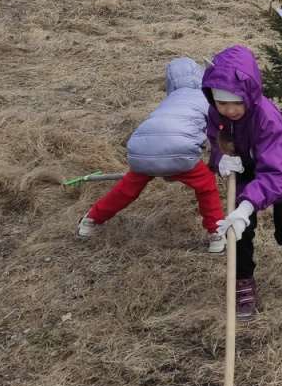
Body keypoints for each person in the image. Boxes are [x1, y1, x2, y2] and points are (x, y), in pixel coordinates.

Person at [203, 45, 282, 321]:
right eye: (222, 103)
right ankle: (243, 280)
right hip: (244, 166)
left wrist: (247, 206)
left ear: (249, 95)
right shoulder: (217, 112)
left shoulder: (267, 119)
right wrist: (220, 158)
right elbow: (215, 135)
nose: (229, 110)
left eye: (236, 103)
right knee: (239, 231)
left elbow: (273, 173)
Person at [76, 58, 225, 253]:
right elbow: (216, 136)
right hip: (178, 149)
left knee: (127, 189)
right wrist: (215, 163)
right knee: (206, 186)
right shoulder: (207, 100)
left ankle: (90, 220)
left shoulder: (169, 101)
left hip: (141, 150)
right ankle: (216, 235)